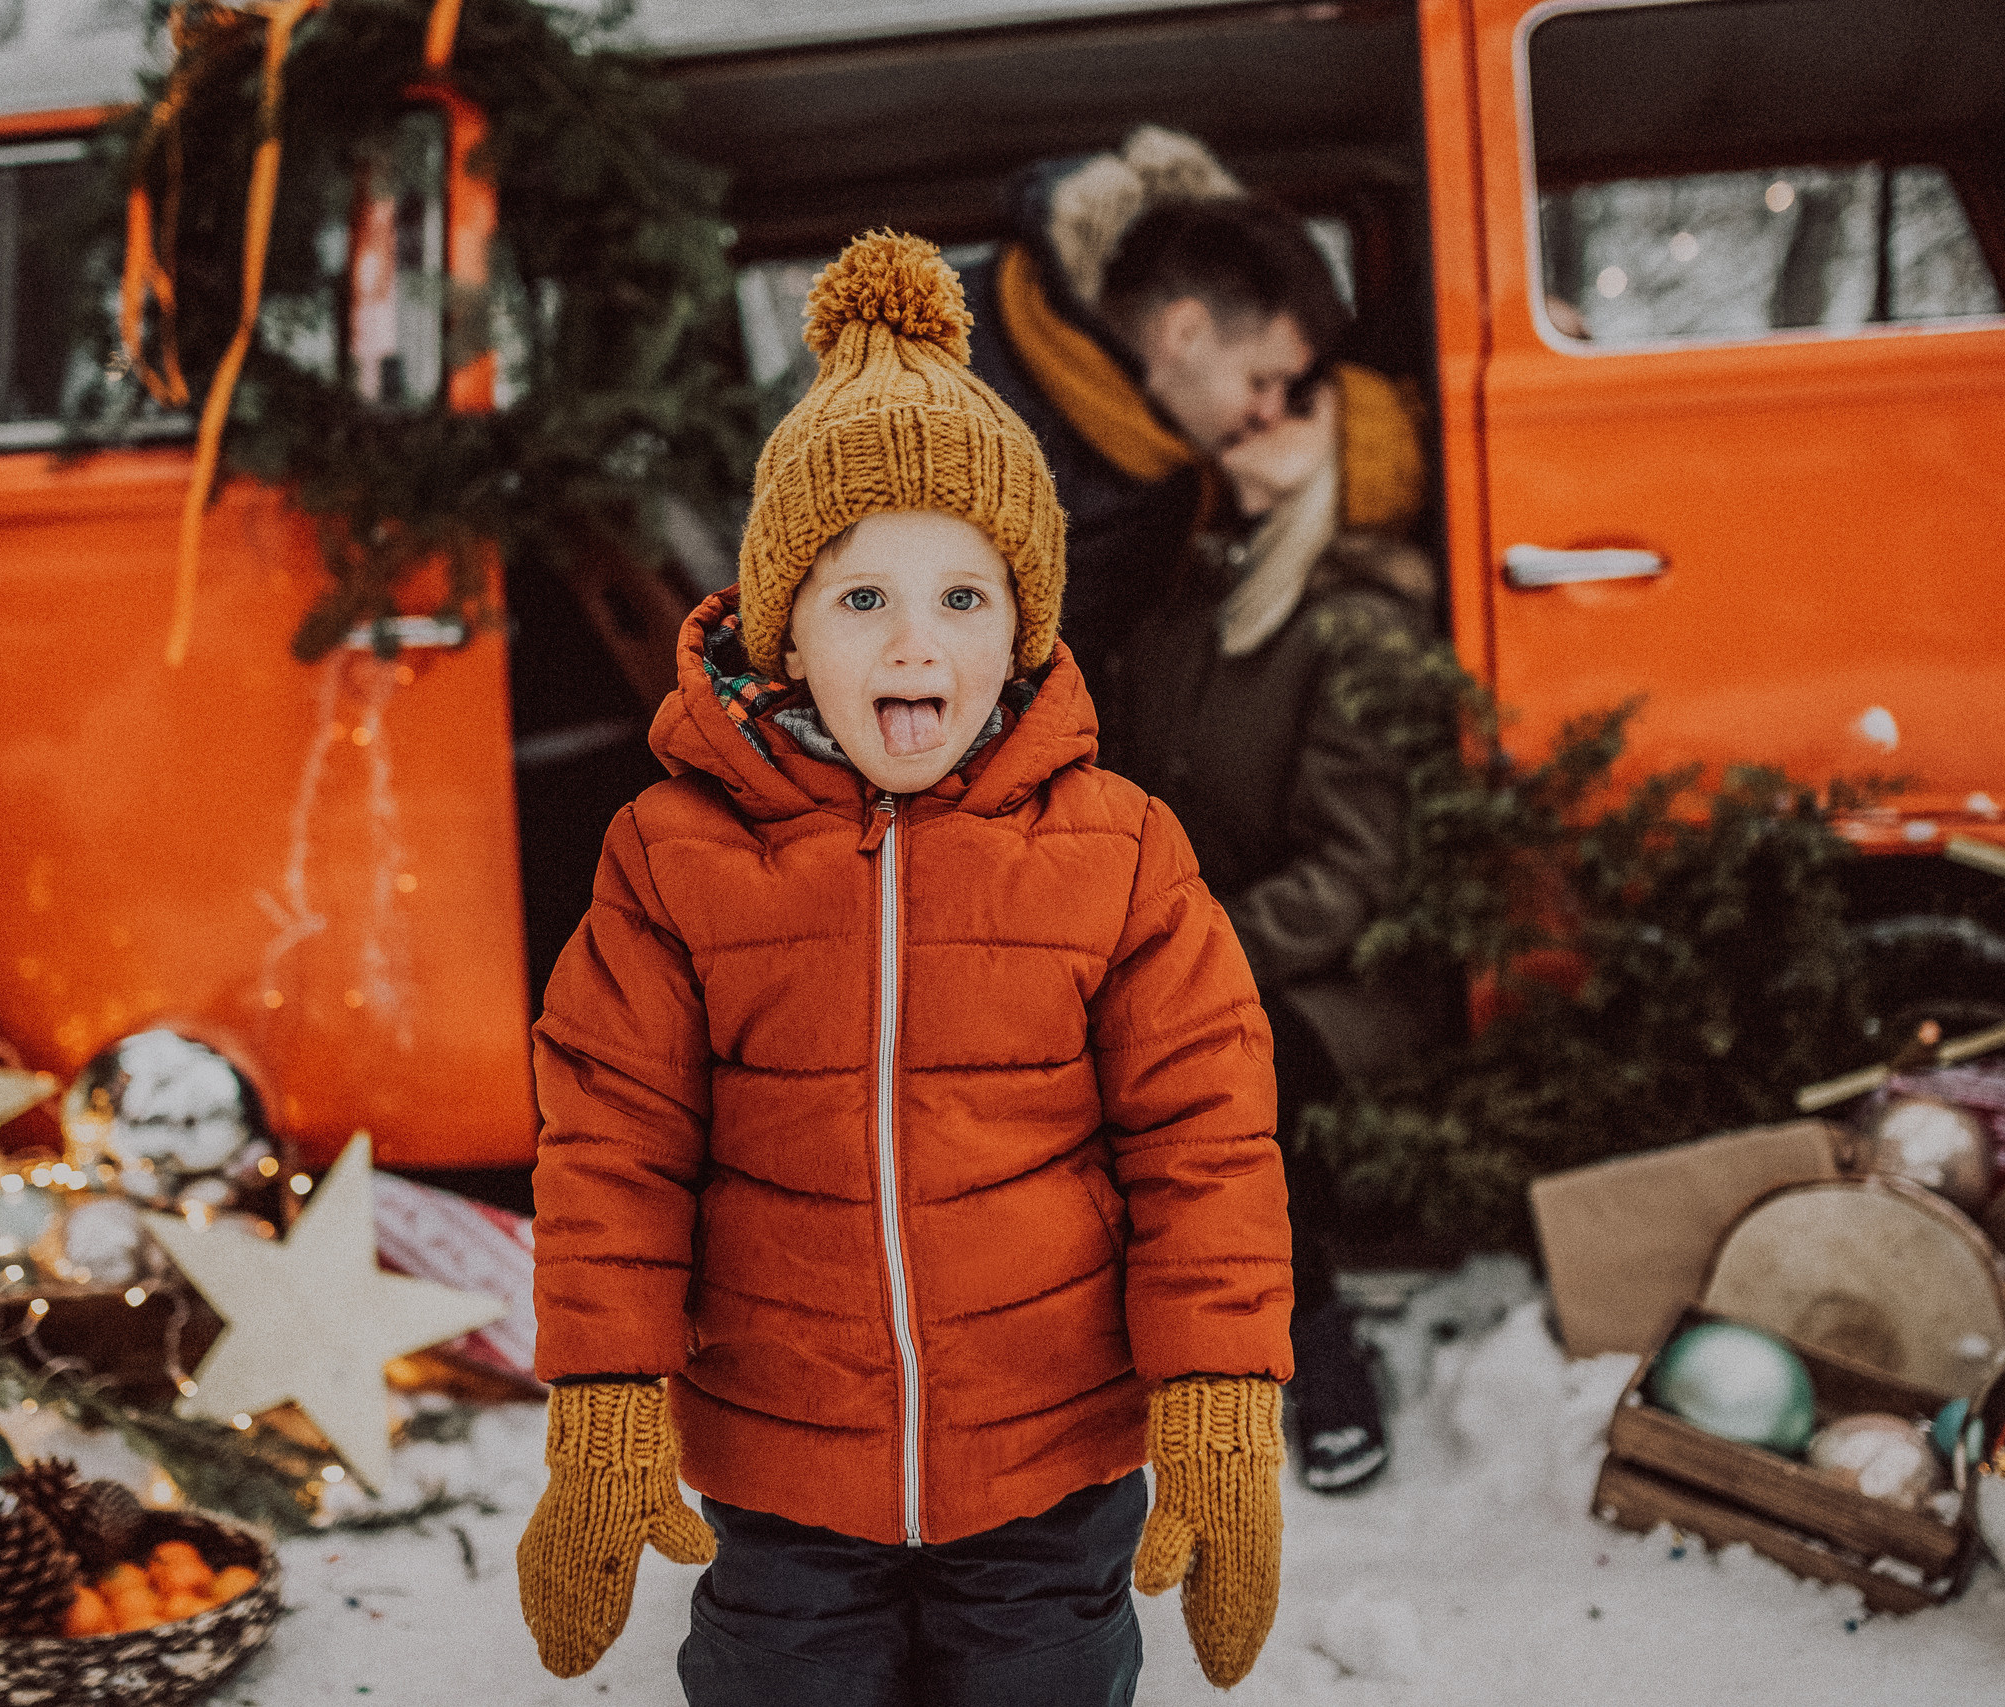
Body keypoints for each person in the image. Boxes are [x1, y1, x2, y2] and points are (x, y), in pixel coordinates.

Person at [513, 232, 1294, 1705]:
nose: (913, 640)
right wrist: (608, 1406)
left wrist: (1218, 1396)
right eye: (861, 597)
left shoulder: (1120, 852)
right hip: (784, 1473)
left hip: (1052, 1465)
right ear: (784, 629)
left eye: (964, 597)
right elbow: (610, 1140)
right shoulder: (673, 855)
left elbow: (1206, 1140)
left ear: (1024, 629)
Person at [1109, 367, 1442, 1496]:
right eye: (1250, 393)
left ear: (1363, 448)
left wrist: (1181, 961)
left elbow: (1354, 874)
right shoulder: (1200, 593)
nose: (1260, 411)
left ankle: (1318, 1341)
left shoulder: (1357, 621)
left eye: (1301, 401)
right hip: (1196, 938)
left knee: (1225, 1070)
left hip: (1334, 979)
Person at [964, 127, 1401, 751]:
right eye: (1261, 380)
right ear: (1186, 331)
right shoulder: (940, 375)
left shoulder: (1171, 478)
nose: (1267, 413)